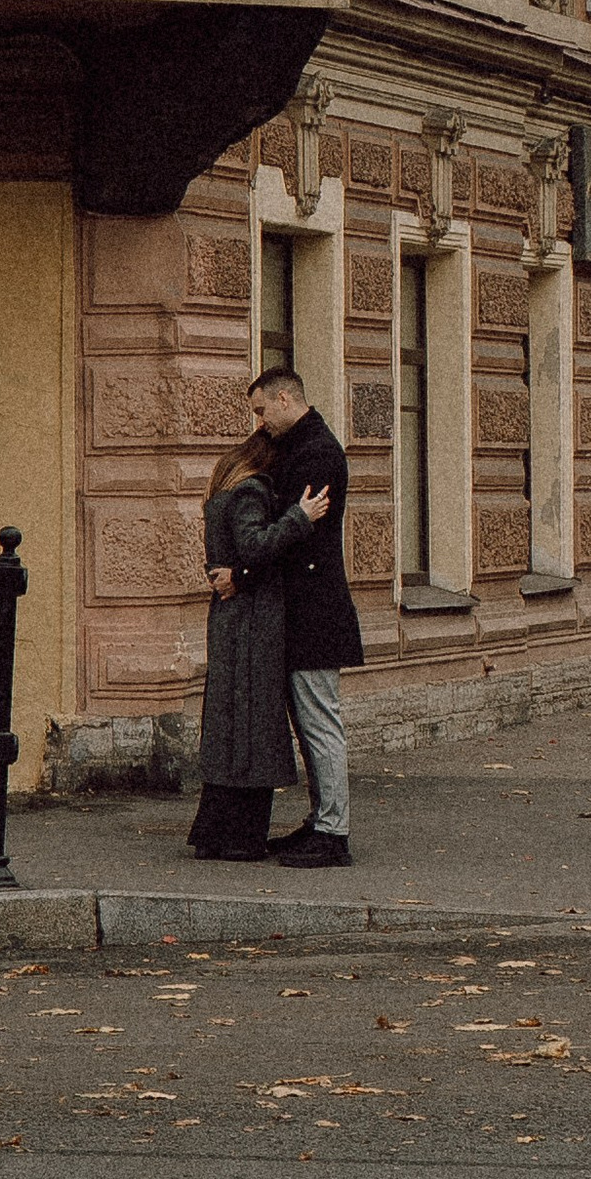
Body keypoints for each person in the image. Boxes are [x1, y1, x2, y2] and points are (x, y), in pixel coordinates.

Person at [187, 433, 330, 861]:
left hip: (230, 620)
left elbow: (224, 554)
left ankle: (214, 833)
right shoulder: (252, 491)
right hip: (253, 622)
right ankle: (241, 837)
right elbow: (253, 546)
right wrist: (299, 518)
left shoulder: (222, 493)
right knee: (255, 725)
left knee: (230, 722)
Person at [247, 364, 364, 868]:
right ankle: (321, 822)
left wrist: (248, 564)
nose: (258, 422)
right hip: (307, 607)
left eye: (261, 410)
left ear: (285, 400)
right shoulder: (306, 447)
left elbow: (296, 535)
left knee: (319, 722)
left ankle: (332, 831)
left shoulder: (315, 453)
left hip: (314, 609)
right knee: (310, 721)